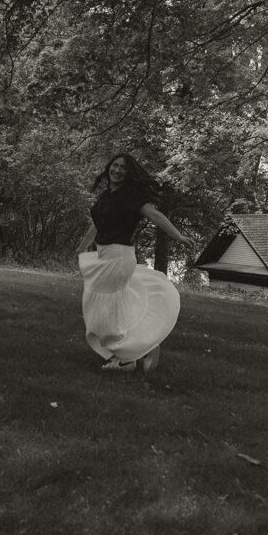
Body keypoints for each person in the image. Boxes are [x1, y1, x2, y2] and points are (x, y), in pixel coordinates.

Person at [76, 153, 193, 375]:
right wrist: (83, 245)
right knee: (104, 307)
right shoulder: (106, 196)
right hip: (103, 256)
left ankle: (125, 359)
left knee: (105, 308)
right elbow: (98, 224)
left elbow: (155, 216)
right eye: (115, 165)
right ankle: (141, 346)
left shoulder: (131, 197)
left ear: (129, 174)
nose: (117, 170)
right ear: (109, 168)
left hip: (119, 256)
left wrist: (178, 236)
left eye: (123, 168)